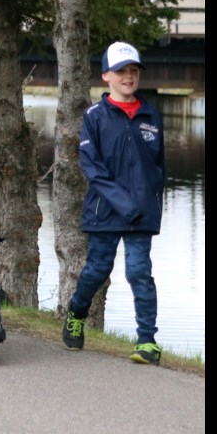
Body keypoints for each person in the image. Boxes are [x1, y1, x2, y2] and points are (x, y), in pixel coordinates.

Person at [62, 42, 166, 366]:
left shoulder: (151, 115)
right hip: (105, 210)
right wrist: (124, 203)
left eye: (134, 71)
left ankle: (147, 341)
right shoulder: (94, 117)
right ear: (106, 75)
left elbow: (158, 166)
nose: (129, 76)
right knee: (96, 270)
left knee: (139, 272)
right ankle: (76, 313)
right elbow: (92, 168)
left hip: (141, 214)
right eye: (122, 71)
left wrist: (150, 202)